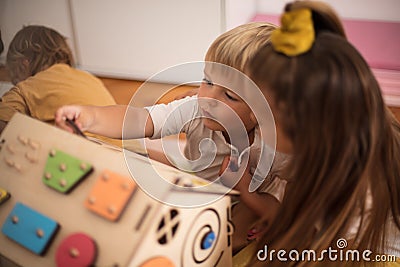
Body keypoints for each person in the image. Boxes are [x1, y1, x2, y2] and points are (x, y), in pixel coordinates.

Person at [55, 22, 289, 253]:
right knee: (133, 157)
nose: (207, 97)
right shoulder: (195, 109)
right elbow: (138, 119)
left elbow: (299, 203)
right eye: (207, 82)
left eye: (228, 95)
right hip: (195, 176)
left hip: (248, 198)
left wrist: (246, 189)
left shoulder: (276, 145)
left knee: (228, 236)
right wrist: (90, 117)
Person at [238, 2, 400, 266]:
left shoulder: (356, 196)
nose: (252, 118)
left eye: (262, 114)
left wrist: (252, 199)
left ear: (307, 131)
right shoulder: (352, 128)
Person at [0, 25, 115, 133]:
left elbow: (2, 122)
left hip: (79, 148)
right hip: (119, 150)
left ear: (22, 66)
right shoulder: (92, 80)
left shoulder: (27, 87)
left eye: (14, 80)